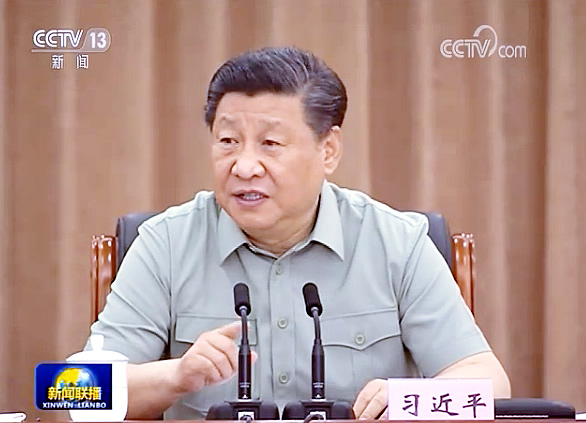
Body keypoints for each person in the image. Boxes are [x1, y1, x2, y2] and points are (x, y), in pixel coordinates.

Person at [87, 46, 510, 420]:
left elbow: (488, 383)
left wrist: (407, 400)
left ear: (329, 150)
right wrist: (175, 377)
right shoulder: (164, 244)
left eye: (270, 144)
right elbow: (75, 392)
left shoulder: (397, 243)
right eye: (228, 141)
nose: (244, 166)